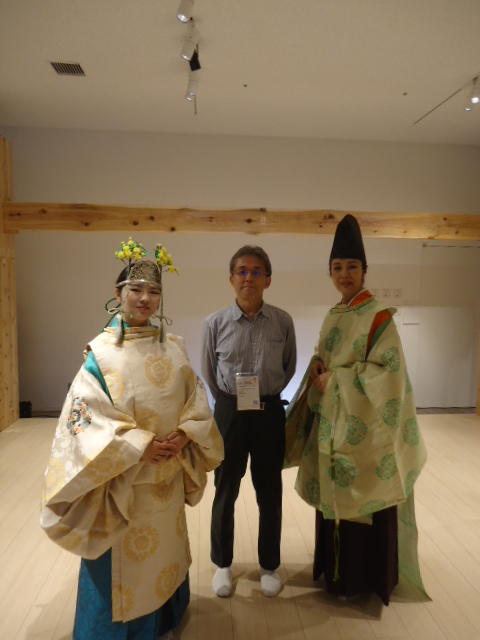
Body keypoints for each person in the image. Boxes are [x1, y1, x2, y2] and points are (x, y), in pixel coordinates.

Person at [41, 238, 224, 640]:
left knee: (165, 550)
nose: (145, 298)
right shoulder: (100, 354)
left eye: (154, 291)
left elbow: (195, 399)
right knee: (122, 559)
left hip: (166, 476)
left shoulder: (173, 348)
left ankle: (164, 620)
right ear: (118, 292)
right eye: (136, 289)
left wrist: (186, 434)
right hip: (122, 479)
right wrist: (139, 445)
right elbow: (85, 417)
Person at [284, 215, 428, 605]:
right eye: (337, 268)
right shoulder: (335, 314)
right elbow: (324, 356)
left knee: (365, 501)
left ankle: (365, 580)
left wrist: (337, 381)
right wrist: (317, 365)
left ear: (365, 271)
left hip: (367, 434)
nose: (344, 275)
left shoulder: (378, 316)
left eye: (351, 267)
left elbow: (388, 374)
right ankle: (337, 577)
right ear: (329, 273)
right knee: (335, 504)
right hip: (335, 427)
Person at [201, 245, 296, 598]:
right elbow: (210, 371)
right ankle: (222, 564)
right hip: (229, 413)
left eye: (257, 272)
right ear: (231, 279)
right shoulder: (214, 323)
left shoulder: (283, 322)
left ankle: (269, 565)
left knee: (269, 491)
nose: (249, 278)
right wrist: (231, 400)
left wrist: (263, 396)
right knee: (225, 489)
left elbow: (288, 366)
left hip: (269, 412)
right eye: (242, 271)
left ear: (267, 280)